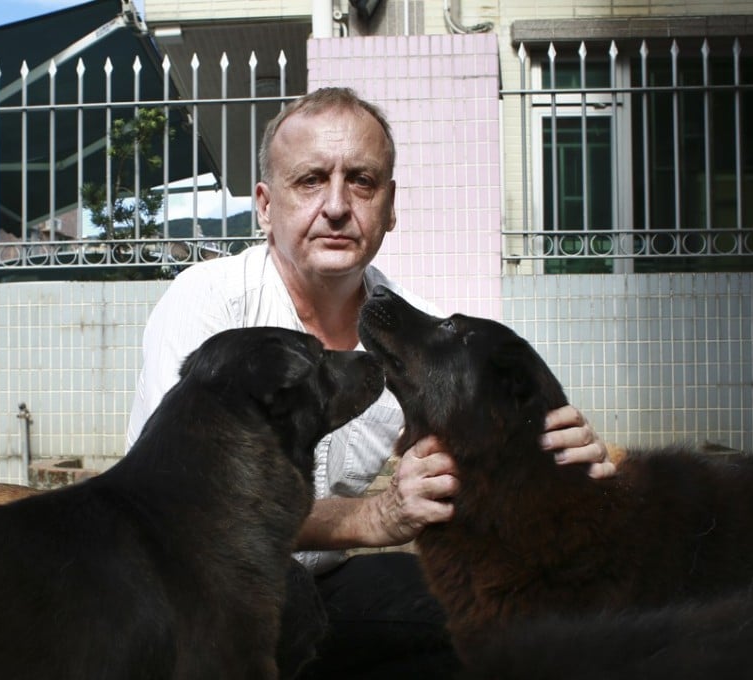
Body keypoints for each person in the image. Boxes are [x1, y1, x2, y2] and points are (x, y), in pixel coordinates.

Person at [125, 87, 613, 678]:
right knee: (285, 601)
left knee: (475, 610)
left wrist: (564, 458)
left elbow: (493, 468)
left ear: (390, 205)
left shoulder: (411, 334)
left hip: (316, 588)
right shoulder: (210, 304)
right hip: (181, 603)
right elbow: (185, 508)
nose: (336, 205)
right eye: (309, 181)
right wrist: (372, 518)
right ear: (264, 204)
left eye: (361, 180)